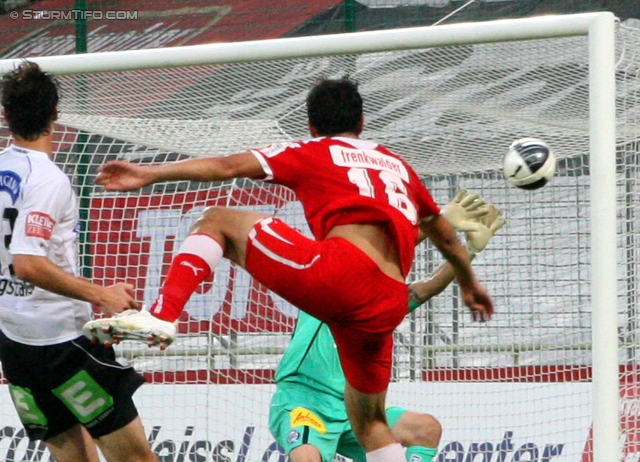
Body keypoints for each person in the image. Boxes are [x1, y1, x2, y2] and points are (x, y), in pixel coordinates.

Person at [85, 76, 494, 462]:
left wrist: (150, 173)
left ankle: (163, 314)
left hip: (339, 277)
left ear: (312, 126)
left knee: (218, 221)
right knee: (371, 423)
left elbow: (228, 168)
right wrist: (469, 283)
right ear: (363, 121)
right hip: (384, 304)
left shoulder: (314, 151)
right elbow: (443, 235)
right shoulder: (398, 167)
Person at [270, 191, 505, 462]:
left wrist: (467, 252)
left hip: (352, 408)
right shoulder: (325, 286)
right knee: (306, 458)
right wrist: (439, 225)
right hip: (304, 400)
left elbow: (426, 288)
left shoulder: (379, 305)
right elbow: (375, 258)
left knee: (425, 429)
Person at [0, 62, 157, 462]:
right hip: (61, 344)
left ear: (6, 116)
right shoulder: (47, 179)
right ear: (56, 114)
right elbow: (28, 264)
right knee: (136, 458)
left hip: (14, 342)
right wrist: (100, 294)